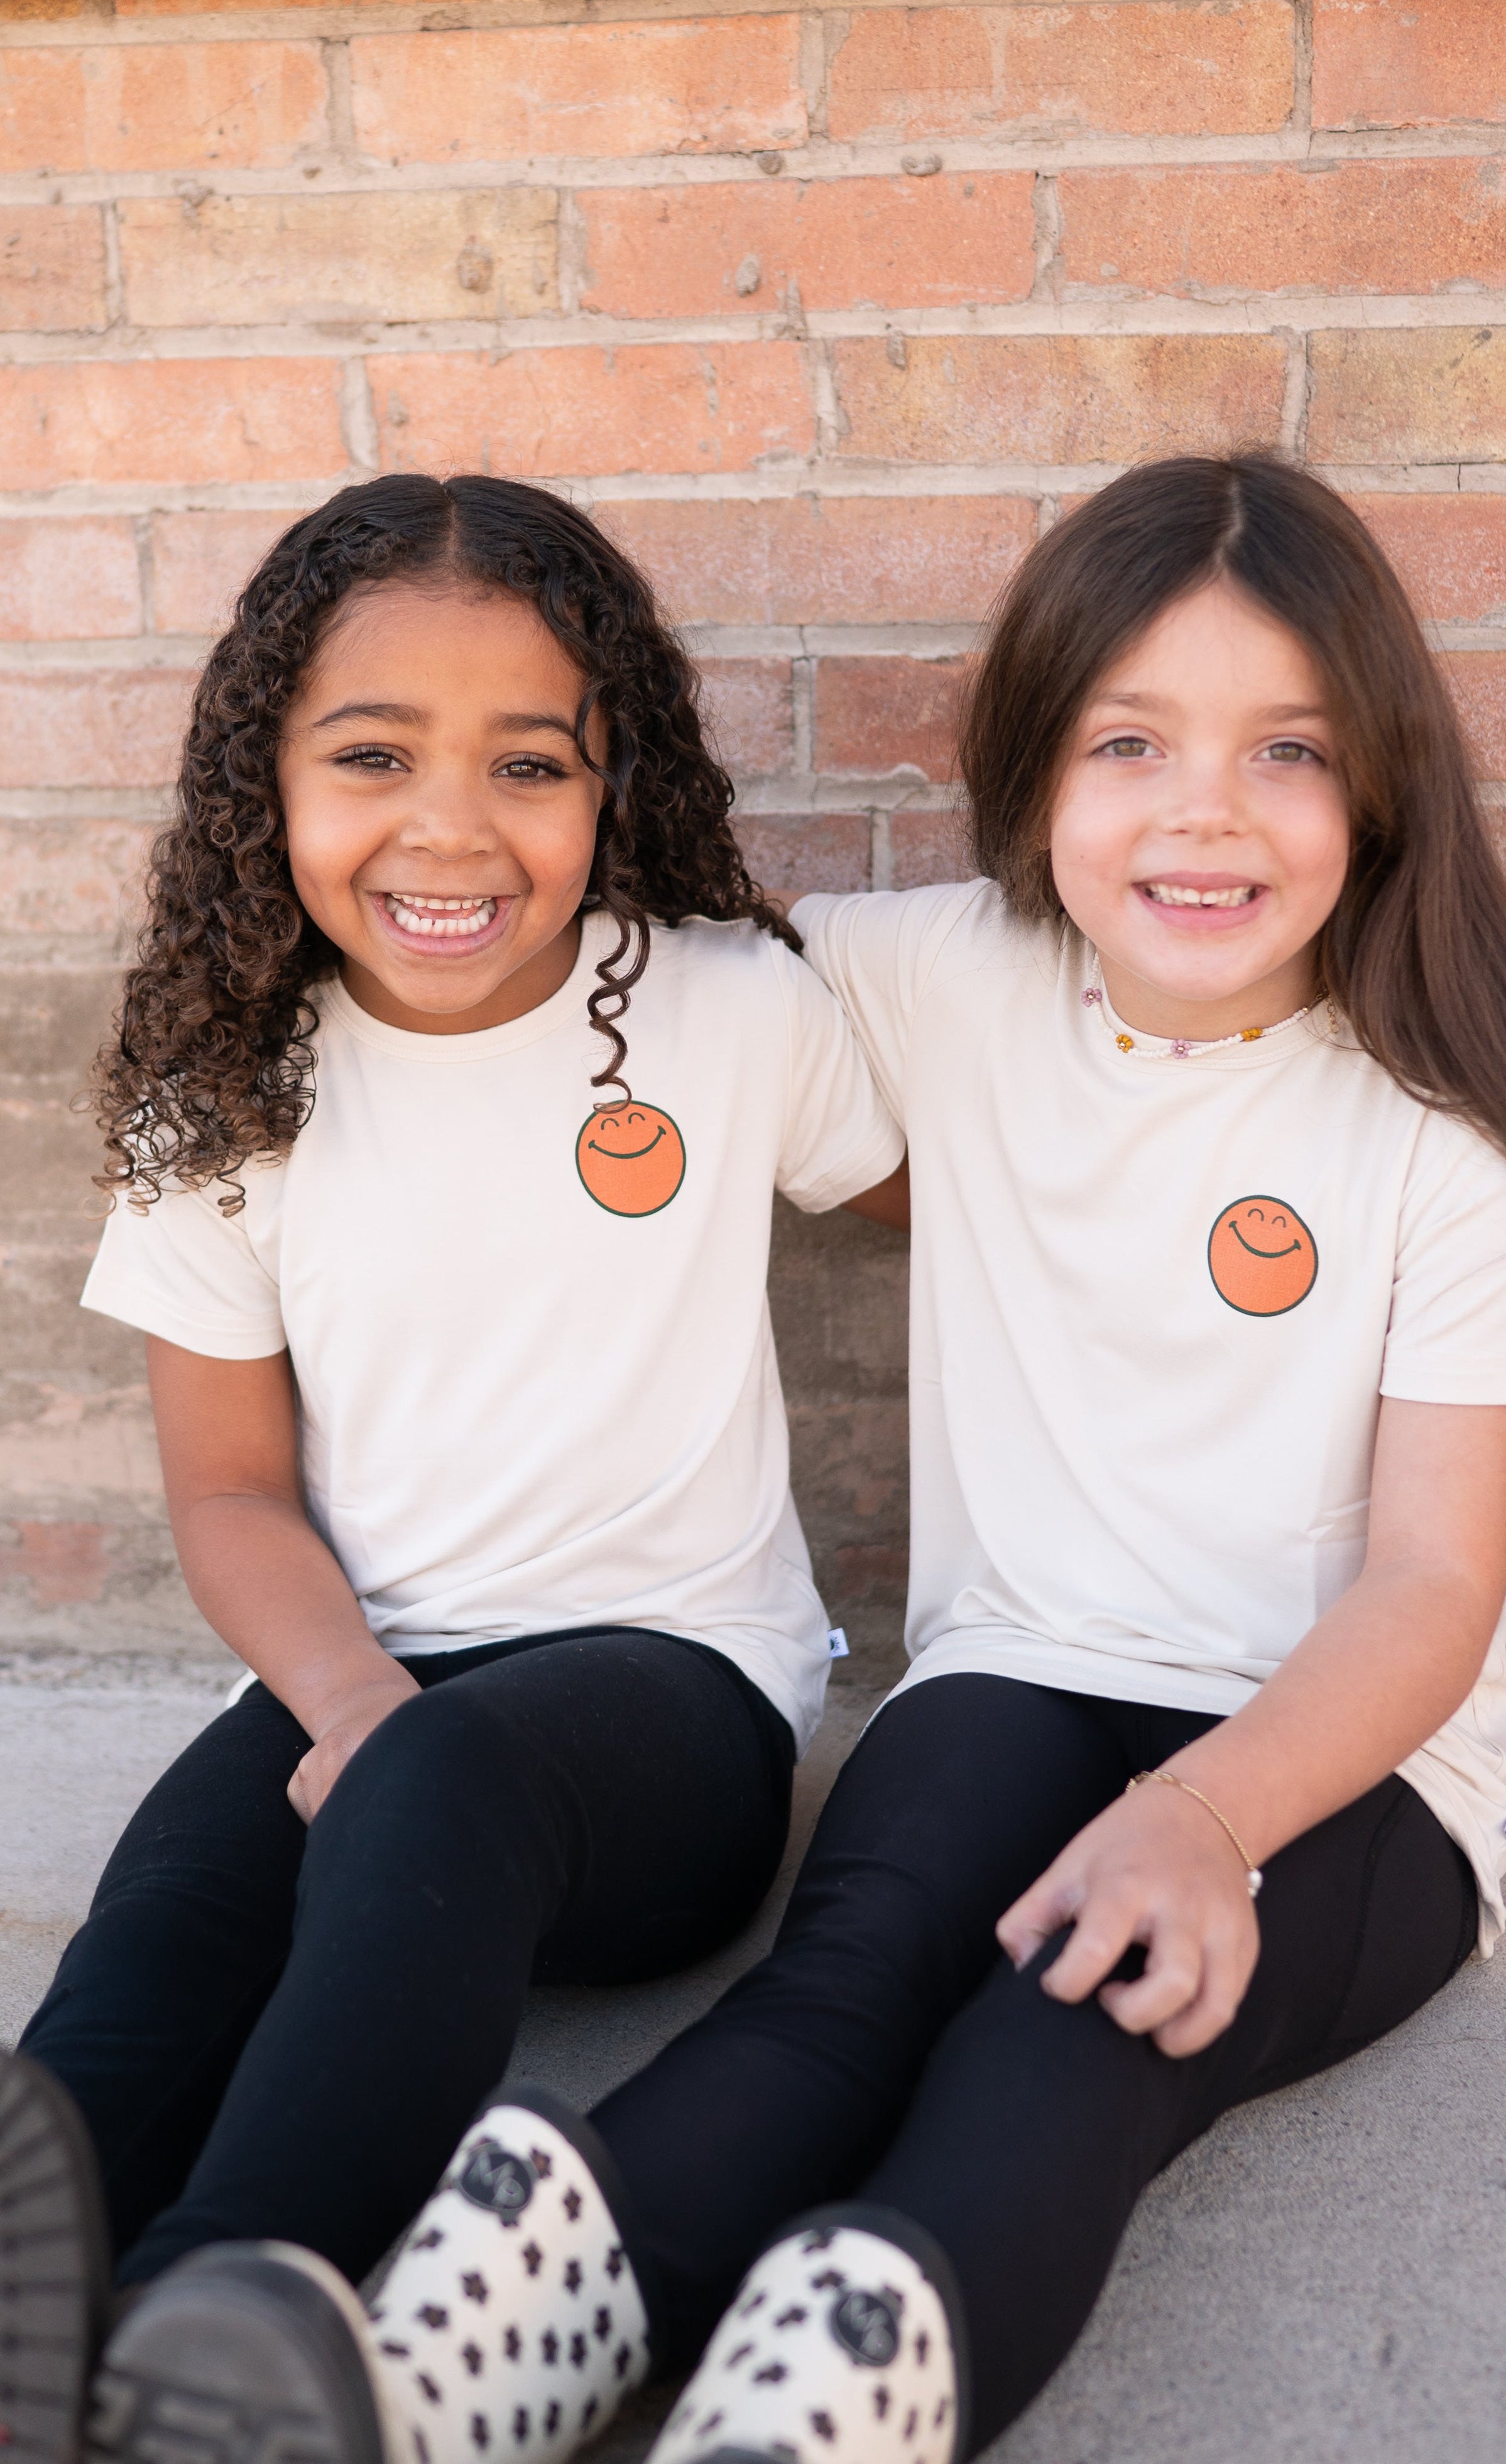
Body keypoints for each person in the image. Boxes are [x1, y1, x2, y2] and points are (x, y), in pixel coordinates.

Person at [47, 451, 1506, 2464]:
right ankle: (411, 2369)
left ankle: (817, 2399)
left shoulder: (1443, 1138)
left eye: (1289, 751)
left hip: (1348, 1765)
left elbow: (1431, 1587)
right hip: (1012, 1667)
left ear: (1386, 786)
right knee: (841, 1986)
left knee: (1083, 2023)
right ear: (1034, 771)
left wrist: (1208, 1819)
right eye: (1129, 740)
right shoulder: (928, 976)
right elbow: (619, 1037)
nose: (1204, 811)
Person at [0, 473, 907, 2464]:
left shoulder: (723, 1009)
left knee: (450, 1779)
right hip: (366, 1671)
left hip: (669, 1708)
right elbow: (232, 1492)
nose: (448, 826)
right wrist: (342, 1700)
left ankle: (222, 2316)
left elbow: (971, 1201)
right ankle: (39, 2275)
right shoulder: (225, 1091)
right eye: (373, 755)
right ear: (272, 780)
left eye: (527, 763)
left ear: (613, 780)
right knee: (173, 1898)